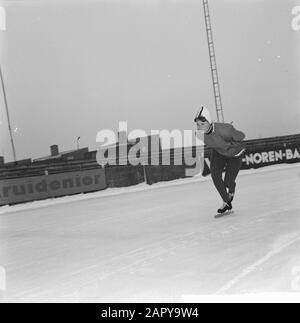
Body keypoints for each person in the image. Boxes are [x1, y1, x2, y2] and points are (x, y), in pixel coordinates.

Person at [194, 106, 246, 214]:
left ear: (209, 122)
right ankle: (226, 202)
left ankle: (231, 190)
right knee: (215, 175)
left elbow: (242, 136)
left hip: (234, 154)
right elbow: (213, 141)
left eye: (202, 124)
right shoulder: (199, 135)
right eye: (198, 124)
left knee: (228, 182)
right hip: (219, 152)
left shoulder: (225, 130)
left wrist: (232, 136)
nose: (200, 127)